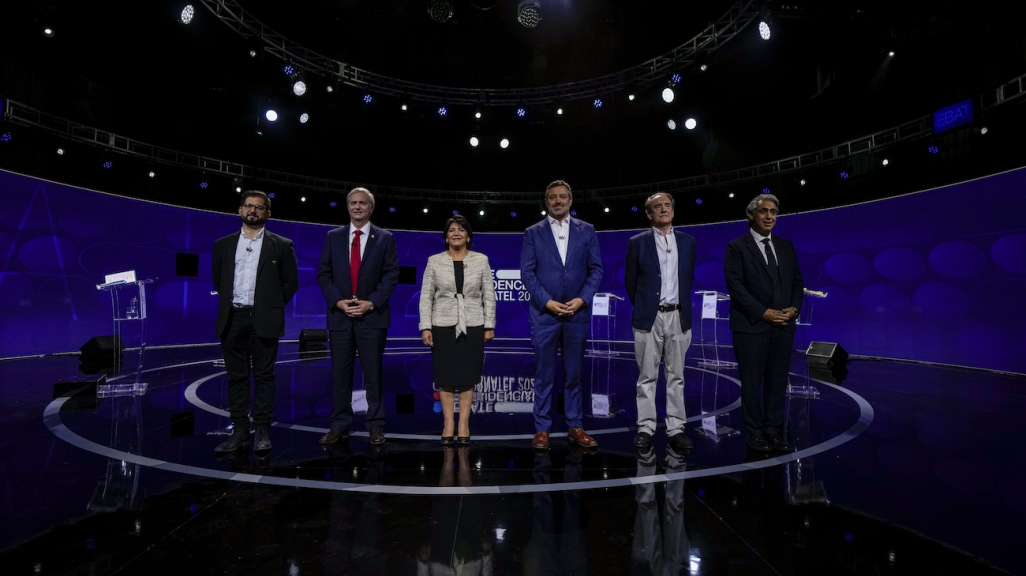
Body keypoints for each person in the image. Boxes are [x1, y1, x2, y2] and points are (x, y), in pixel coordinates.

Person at [212, 190, 299, 453]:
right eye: (248, 206)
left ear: (267, 214)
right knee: (236, 377)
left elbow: (290, 283)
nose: (253, 210)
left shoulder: (282, 245)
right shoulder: (223, 245)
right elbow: (219, 280)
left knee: (264, 377)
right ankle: (239, 431)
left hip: (264, 319)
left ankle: (262, 430)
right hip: (232, 318)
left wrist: (269, 307)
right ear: (240, 210)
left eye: (259, 207)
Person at [520, 180, 604, 450]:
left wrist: (581, 299)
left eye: (563, 197)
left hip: (576, 314)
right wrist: (547, 302)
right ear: (546, 202)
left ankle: (575, 426)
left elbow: (596, 270)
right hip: (545, 315)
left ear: (571, 200)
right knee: (544, 374)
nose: (558, 201)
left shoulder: (587, 230)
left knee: (573, 374)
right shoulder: (533, 233)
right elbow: (527, 273)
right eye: (553, 197)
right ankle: (542, 428)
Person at [317, 187, 399, 446]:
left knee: (373, 374)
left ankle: (375, 426)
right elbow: (324, 274)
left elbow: (391, 275)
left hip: (372, 318)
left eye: (363, 203)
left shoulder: (385, 238)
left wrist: (371, 303)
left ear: (371, 208)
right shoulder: (333, 237)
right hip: (340, 318)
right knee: (340, 375)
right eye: (353, 203)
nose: (357, 207)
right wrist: (338, 302)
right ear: (347, 206)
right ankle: (339, 424)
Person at [724, 193, 804, 453]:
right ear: (751, 216)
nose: (769, 216)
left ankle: (774, 431)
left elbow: (796, 282)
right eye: (763, 211)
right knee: (751, 382)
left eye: (773, 212)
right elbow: (736, 287)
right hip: (751, 326)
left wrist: (793, 309)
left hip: (783, 325)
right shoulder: (736, 247)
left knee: (777, 381)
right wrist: (763, 312)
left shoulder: (786, 246)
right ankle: (755, 433)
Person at [624, 193, 696, 452]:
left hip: (678, 316)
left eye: (667, 205)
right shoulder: (637, 242)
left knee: (676, 376)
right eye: (657, 207)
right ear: (649, 214)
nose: (663, 209)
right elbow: (631, 282)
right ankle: (646, 427)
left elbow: (687, 280)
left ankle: (676, 428)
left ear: (673, 212)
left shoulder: (688, 242)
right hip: (649, 317)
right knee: (647, 376)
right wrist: (646, 307)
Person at [419, 215, 496, 446]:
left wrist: (489, 324)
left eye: (461, 230)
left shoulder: (481, 260)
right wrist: (425, 326)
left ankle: (463, 423)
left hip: (472, 324)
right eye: (451, 229)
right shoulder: (434, 261)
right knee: (445, 378)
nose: (456, 233)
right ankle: (448, 423)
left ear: (468, 236)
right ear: (446, 237)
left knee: (466, 378)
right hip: (442, 325)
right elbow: (426, 296)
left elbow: (489, 295)